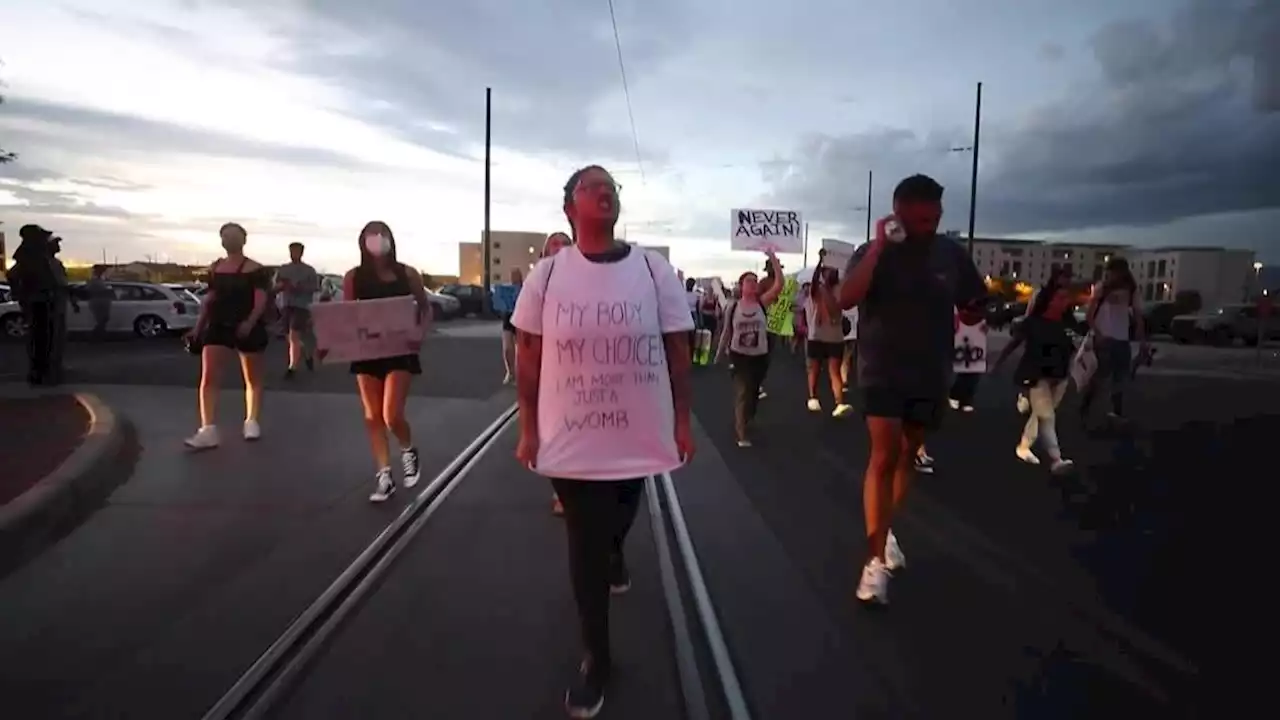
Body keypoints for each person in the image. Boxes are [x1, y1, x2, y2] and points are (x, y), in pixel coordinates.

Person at [511, 164, 694, 718]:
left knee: (621, 512)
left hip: (635, 433)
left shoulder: (652, 270)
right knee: (584, 545)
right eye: (592, 187)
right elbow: (528, 354)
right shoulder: (546, 276)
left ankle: (615, 550)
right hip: (572, 437)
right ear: (570, 207)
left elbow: (678, 348)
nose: (604, 192)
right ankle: (598, 657)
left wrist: (681, 420)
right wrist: (528, 427)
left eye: (610, 186)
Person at [838, 174, 987, 605]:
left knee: (907, 454)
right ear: (897, 214)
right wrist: (881, 246)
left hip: (930, 372)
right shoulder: (874, 252)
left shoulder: (951, 254)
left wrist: (977, 311)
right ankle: (873, 562)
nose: (930, 226)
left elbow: (972, 312)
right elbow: (847, 298)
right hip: (881, 369)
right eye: (921, 218)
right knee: (883, 456)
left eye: (935, 218)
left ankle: (884, 531)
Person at [342, 221, 431, 502]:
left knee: (391, 413)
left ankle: (407, 447)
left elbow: (425, 308)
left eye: (382, 235)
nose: (378, 240)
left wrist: (419, 333)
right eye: (372, 236)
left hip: (399, 349)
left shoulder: (407, 274)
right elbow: (346, 314)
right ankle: (384, 475)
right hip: (367, 349)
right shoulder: (353, 277)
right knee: (372, 416)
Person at [183, 223, 271, 449]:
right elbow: (209, 299)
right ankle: (208, 428)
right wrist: (199, 326)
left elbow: (260, 299)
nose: (228, 239)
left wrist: (250, 322)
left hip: (246, 325)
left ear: (244, 239)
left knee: (252, 377)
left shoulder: (256, 269)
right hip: (217, 324)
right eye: (225, 236)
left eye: (233, 235)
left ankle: (251, 420)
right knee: (209, 377)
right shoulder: (216, 268)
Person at [992, 267, 1077, 473]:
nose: (1065, 301)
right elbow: (1014, 343)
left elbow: (1071, 349)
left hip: (1059, 376)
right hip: (1037, 375)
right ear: (1050, 300)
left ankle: (1023, 447)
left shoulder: (1067, 323)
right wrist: (997, 364)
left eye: (1066, 298)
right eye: (1061, 297)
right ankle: (1056, 459)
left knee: (1041, 415)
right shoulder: (1033, 322)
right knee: (1047, 416)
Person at [714, 251, 783, 446]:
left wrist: (773, 258)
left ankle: (747, 417)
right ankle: (741, 433)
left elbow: (779, 286)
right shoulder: (733, 307)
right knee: (743, 392)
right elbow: (727, 331)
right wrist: (719, 354)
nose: (753, 284)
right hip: (739, 356)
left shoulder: (762, 303)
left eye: (755, 280)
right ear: (741, 286)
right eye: (749, 281)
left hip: (759, 356)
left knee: (753, 393)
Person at [1081, 257, 1147, 424]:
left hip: (1122, 338)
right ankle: (1085, 406)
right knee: (1100, 376)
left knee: (1120, 377)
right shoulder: (1101, 288)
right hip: (1104, 338)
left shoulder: (1131, 290)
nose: (1111, 275)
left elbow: (1138, 317)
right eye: (1109, 272)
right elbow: (1089, 315)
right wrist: (1098, 334)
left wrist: (1142, 341)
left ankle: (1116, 411)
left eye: (1115, 272)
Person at [539, 231, 572, 518]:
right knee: (554, 432)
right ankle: (561, 490)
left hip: (579, 367)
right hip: (549, 366)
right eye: (554, 244)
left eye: (565, 244)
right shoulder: (539, 281)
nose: (560, 249)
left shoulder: (585, 277)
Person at [8, 225, 59, 385]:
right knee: (39, 338)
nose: (45, 240)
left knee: (44, 338)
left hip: (43, 300)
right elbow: (13, 275)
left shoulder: (36, 255)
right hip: (37, 301)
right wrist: (23, 295)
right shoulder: (29, 256)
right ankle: (38, 372)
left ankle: (41, 370)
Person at [805, 262, 853, 417]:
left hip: (834, 337)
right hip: (817, 335)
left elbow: (837, 307)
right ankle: (813, 397)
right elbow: (813, 282)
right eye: (828, 270)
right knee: (815, 369)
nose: (831, 272)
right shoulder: (816, 290)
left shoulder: (839, 290)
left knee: (834, 371)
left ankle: (839, 403)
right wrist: (819, 263)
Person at [274, 242, 319, 378]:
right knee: (290, 336)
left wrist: (301, 287)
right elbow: (275, 286)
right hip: (286, 304)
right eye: (292, 251)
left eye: (297, 251)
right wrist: (283, 285)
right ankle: (306, 354)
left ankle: (292, 367)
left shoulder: (309, 270)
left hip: (301, 305)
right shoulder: (283, 269)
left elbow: (315, 288)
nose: (295, 254)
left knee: (294, 333)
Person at [498, 266, 524, 385]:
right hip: (507, 319)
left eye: (516, 275)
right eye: (512, 275)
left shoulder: (525, 288)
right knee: (507, 348)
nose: (513, 278)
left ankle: (519, 374)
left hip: (520, 320)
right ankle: (510, 372)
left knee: (520, 349)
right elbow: (498, 303)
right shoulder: (506, 289)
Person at [85, 264, 114, 340]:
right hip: (97, 301)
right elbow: (91, 289)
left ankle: (99, 334)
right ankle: (97, 334)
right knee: (102, 319)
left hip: (103, 301)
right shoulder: (94, 280)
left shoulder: (100, 279)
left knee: (104, 318)